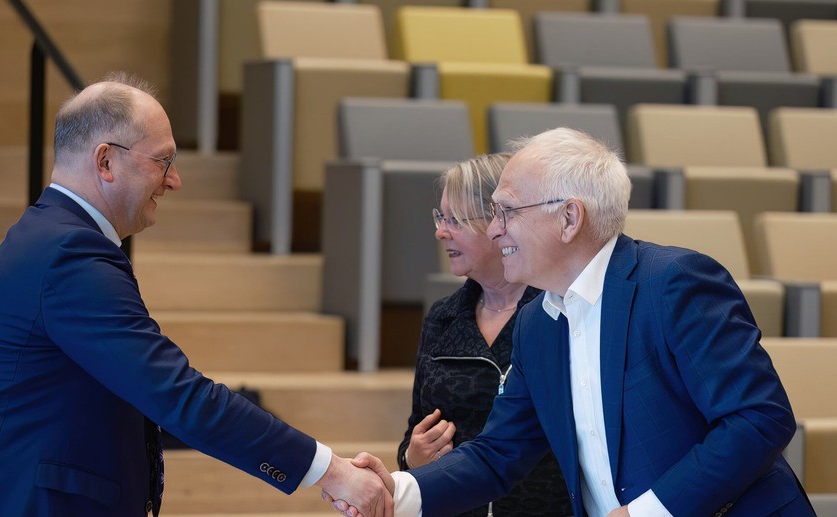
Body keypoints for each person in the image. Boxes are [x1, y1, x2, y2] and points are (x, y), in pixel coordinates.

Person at [0, 72, 391, 517]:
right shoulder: (69, 252)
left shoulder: (54, 236)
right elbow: (177, 394)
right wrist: (330, 470)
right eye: (162, 161)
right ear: (105, 161)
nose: (174, 180)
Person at [332, 127, 814, 517]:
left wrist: (648, 513)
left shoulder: (674, 283)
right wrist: (396, 491)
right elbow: (497, 454)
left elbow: (758, 418)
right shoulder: (537, 325)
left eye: (506, 211)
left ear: (568, 219)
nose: (494, 227)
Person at [400, 154, 570, 516]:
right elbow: (415, 431)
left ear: (501, 221)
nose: (440, 231)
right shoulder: (443, 317)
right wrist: (412, 459)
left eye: (456, 220)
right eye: (439, 217)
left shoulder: (558, 311)